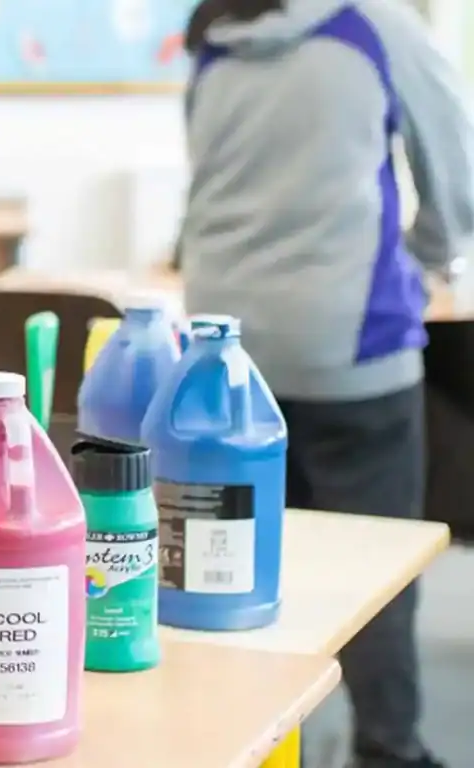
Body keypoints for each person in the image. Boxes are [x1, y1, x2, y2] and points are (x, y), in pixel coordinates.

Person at [180, 1, 473, 767]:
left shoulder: (214, 34)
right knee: (373, 571)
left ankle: (251, 745)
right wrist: (428, 258)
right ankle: (388, 748)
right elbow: (455, 168)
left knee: (234, 568)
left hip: (220, 349)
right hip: (350, 342)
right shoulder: (376, 23)